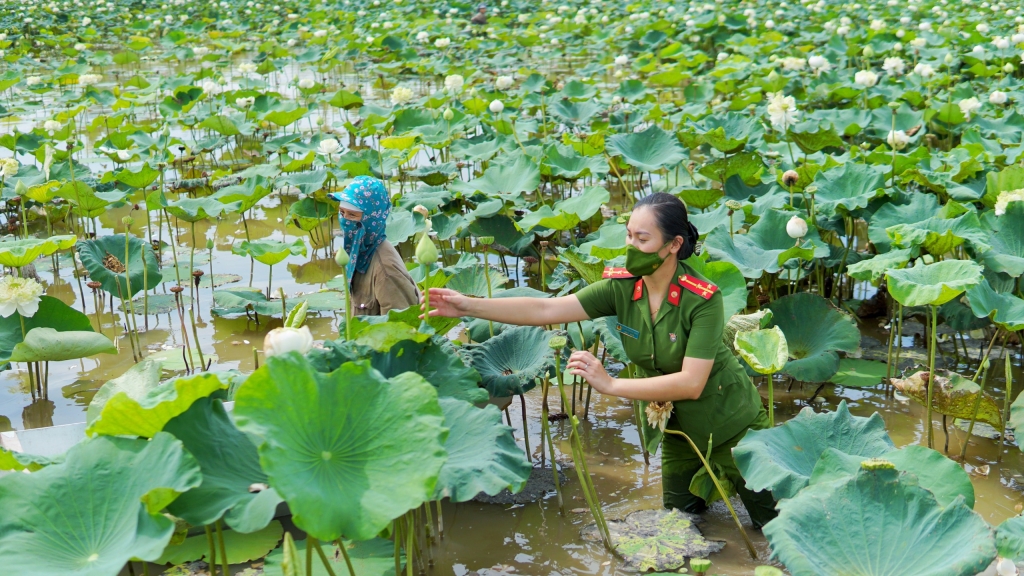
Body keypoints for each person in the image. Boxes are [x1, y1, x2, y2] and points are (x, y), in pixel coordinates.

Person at [423, 192, 777, 528]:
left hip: (733, 427)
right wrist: (468, 304)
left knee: (768, 527)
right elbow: (548, 308)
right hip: (677, 431)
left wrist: (610, 385)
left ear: (674, 245)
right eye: (629, 236)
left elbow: (691, 381)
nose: (631, 247)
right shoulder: (622, 287)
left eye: (643, 239)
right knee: (682, 522)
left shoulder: (702, 299)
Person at [328, 176, 419, 316]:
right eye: (341, 213)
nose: (344, 220)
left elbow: (401, 329)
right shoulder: (361, 253)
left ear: (371, 219)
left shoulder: (386, 271)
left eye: (352, 215)